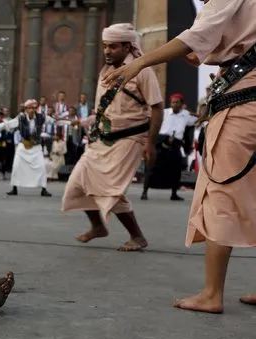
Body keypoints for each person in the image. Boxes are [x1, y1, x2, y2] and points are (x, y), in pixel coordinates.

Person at [104, 0, 256, 314]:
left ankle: (212, 294)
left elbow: (193, 37)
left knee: (221, 194)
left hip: (244, 101)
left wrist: (139, 63)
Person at [61, 23, 163, 252]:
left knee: (111, 189)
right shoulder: (106, 71)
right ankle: (98, 226)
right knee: (78, 183)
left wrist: (151, 142)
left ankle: (137, 237)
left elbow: (157, 107)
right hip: (101, 139)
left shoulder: (143, 71)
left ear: (128, 46)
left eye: (113, 46)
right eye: (105, 46)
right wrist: (88, 121)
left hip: (130, 138)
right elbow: (105, 109)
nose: (107, 51)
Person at [141, 93, 198, 201]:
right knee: (151, 166)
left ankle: (174, 193)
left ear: (182, 104)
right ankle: (145, 191)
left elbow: (199, 118)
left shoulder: (186, 115)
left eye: (177, 102)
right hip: (161, 141)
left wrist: (191, 112)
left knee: (175, 169)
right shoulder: (164, 112)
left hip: (175, 143)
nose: (174, 105)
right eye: (172, 102)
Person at [0, 99, 52, 197]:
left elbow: (55, 121)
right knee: (17, 166)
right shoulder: (20, 118)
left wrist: (71, 122)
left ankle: (44, 189)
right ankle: (14, 188)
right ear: (26, 109)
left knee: (41, 167)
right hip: (23, 146)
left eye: (34, 108)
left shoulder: (41, 117)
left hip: (36, 147)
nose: (32, 110)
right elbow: (6, 124)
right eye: (29, 108)